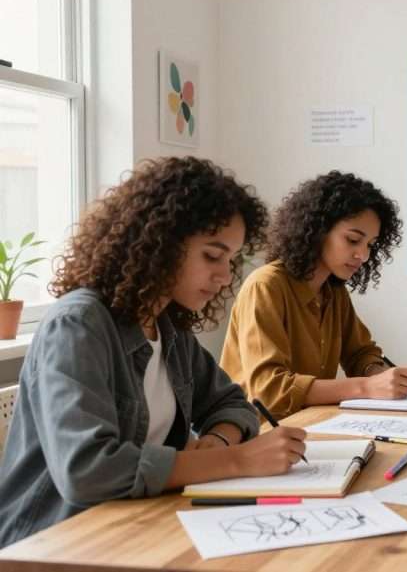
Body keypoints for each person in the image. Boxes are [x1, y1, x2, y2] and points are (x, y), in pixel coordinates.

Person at [0, 157, 307, 548]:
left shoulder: (167, 326)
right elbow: (87, 469)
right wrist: (235, 461)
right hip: (54, 542)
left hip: (136, 523)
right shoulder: (78, 325)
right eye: (212, 256)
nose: (226, 276)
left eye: (231, 261)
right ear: (159, 245)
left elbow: (232, 402)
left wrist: (217, 443)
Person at [220, 171, 407, 420]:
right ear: (317, 230)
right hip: (259, 433)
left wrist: (377, 372)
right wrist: (367, 387)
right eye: (353, 239)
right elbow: (268, 390)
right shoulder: (266, 286)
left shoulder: (333, 291)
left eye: (369, 244)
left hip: (310, 424)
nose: (363, 255)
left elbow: (360, 352)